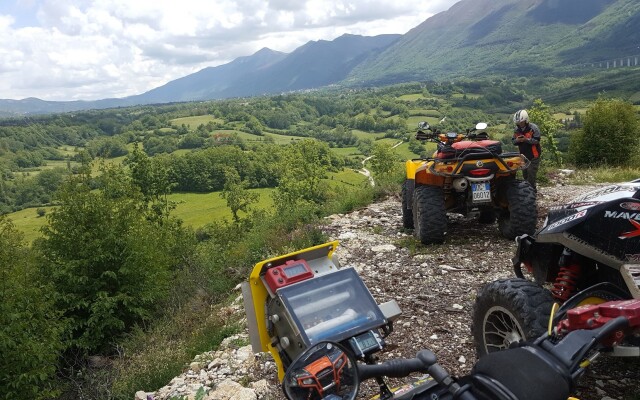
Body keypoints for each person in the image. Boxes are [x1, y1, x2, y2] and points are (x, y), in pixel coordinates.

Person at [512, 109, 542, 191]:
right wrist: (517, 140)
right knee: (525, 175)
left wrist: (526, 140)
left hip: (534, 155)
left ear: (526, 120)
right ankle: (528, 192)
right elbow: (513, 141)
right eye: (518, 123)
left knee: (531, 175)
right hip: (523, 156)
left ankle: (532, 192)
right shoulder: (516, 130)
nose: (519, 124)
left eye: (521, 122)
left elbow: (537, 140)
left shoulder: (533, 128)